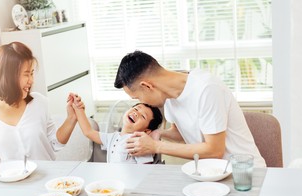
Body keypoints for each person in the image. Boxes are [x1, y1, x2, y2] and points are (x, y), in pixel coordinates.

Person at [114, 50, 266, 167]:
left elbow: (214, 151)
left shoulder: (206, 89)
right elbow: (182, 132)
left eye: (138, 98)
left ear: (147, 86)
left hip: (244, 173)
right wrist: (159, 133)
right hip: (211, 173)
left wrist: (156, 146)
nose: (141, 103)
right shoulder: (166, 94)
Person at [0, 42, 82, 166]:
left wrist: (71, 118)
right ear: (7, 76)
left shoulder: (39, 102)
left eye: (32, 73)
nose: (31, 80)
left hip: (45, 181)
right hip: (5, 187)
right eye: (26, 74)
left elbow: (55, 143)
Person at [71, 93, 163, 164]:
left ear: (146, 131)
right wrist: (79, 109)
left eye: (143, 116)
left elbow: (147, 171)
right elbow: (88, 132)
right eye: (136, 109)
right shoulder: (112, 138)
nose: (136, 113)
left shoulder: (139, 143)